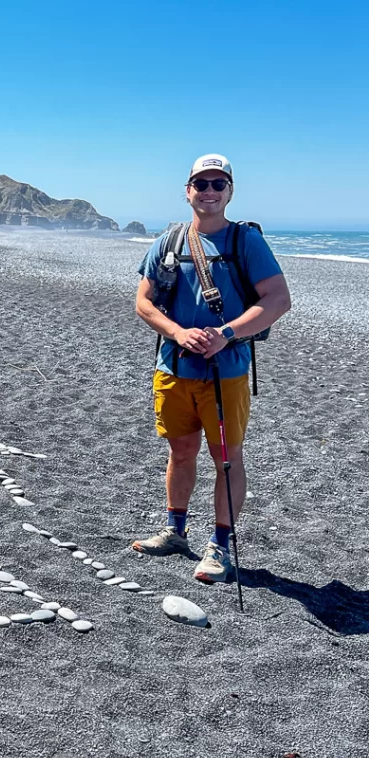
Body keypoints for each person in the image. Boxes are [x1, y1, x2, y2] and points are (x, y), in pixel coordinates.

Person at [132, 154, 292, 582]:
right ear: (187, 190)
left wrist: (225, 333)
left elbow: (277, 300)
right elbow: (143, 302)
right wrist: (177, 333)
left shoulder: (245, 242)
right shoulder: (168, 242)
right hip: (174, 369)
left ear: (229, 192)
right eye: (200, 183)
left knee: (226, 459)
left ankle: (219, 546)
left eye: (217, 184)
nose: (209, 191)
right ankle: (175, 531)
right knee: (180, 452)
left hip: (227, 372)